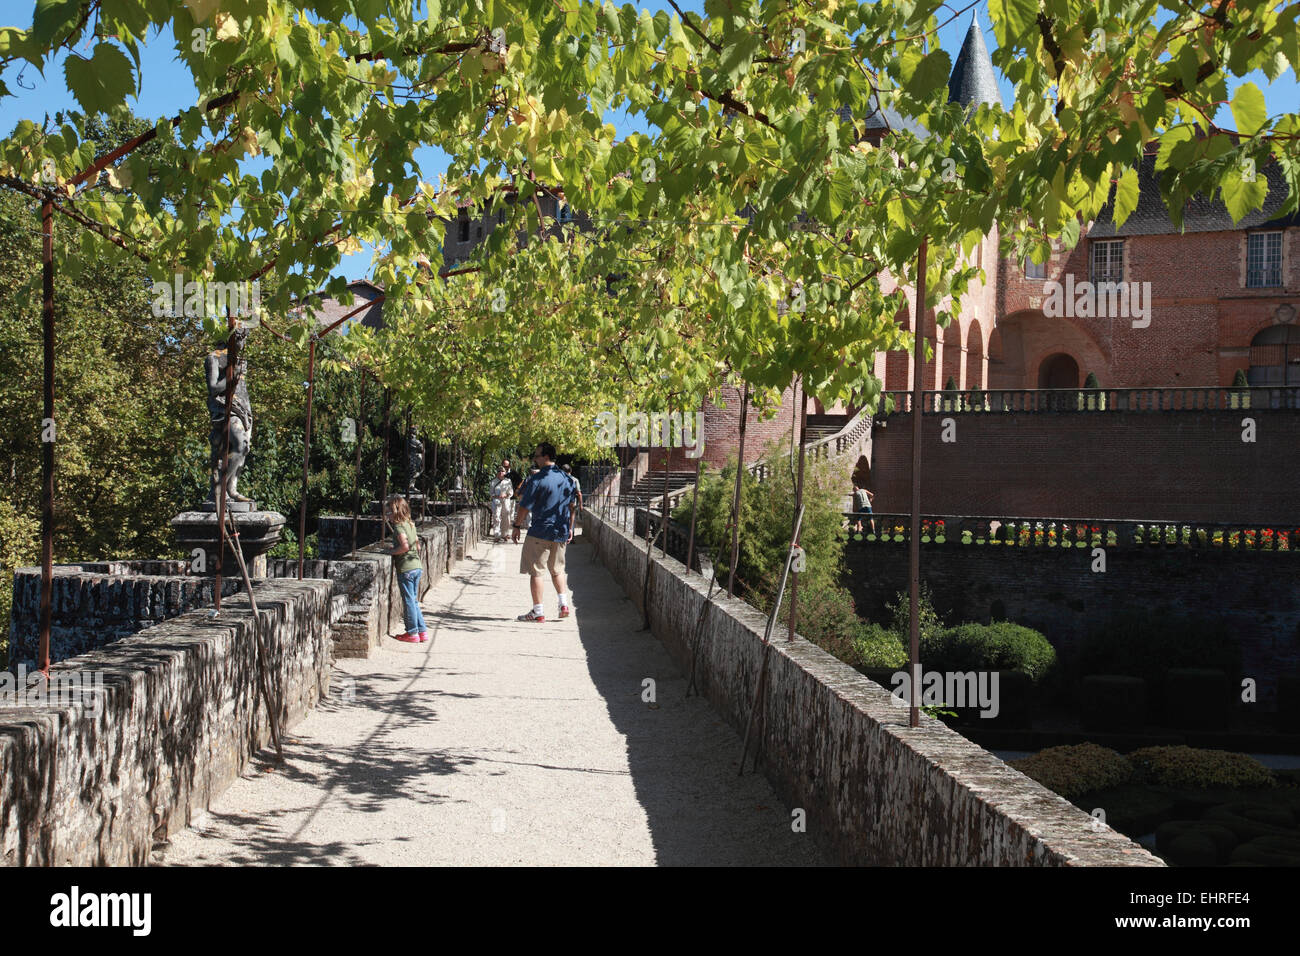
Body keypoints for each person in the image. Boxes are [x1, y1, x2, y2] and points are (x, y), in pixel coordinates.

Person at [512, 443, 578, 622]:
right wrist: (570, 528)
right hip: (561, 531)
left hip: (540, 531)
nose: (535, 458)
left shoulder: (538, 479)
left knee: (537, 572)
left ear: (546, 456)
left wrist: (517, 526)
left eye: (537, 455)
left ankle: (538, 611)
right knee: (558, 570)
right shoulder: (567, 479)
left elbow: (525, 506)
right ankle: (563, 604)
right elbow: (572, 507)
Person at [384, 494, 427, 643]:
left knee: (408, 601)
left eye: (388, 512)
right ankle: (422, 631)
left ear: (395, 512)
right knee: (413, 600)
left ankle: (412, 632)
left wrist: (392, 551)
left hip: (406, 569)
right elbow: (417, 546)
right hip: (416, 566)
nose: (387, 516)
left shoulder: (399, 527)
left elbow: (404, 546)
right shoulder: (411, 524)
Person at [489, 467, 514, 541]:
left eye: (502, 471)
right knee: (496, 517)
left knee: (506, 518)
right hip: (496, 501)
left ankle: (505, 534)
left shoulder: (508, 481)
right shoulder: (493, 482)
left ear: (505, 472)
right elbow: (491, 493)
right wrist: (497, 496)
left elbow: (511, 492)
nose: (500, 472)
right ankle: (497, 535)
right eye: (499, 471)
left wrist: (505, 495)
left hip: (506, 501)